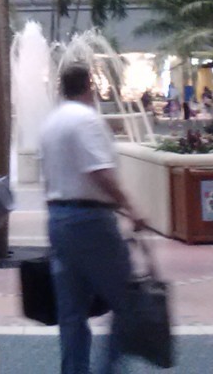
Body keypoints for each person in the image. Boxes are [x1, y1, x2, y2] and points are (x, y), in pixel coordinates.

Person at [40, 63, 143, 374]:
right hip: (90, 220)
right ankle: (109, 368)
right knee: (126, 299)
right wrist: (130, 207)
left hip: (58, 219)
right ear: (88, 84)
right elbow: (99, 172)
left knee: (71, 311)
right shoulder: (86, 120)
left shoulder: (51, 123)